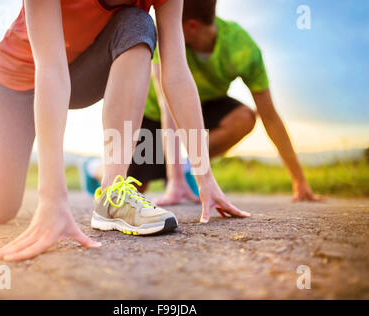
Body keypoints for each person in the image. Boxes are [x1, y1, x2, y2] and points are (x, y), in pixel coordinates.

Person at [0, 0, 250, 262]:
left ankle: (113, 194)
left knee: (138, 23)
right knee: (0, 209)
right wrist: (52, 199)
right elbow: (50, 67)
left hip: (85, 71)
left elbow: (175, 73)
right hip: (19, 78)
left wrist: (204, 175)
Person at [123, 0, 325, 204]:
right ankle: (96, 167)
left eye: (173, 20)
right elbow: (169, 108)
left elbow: (270, 117)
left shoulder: (241, 48)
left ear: (191, 26)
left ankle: (186, 165)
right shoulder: (164, 40)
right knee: (133, 187)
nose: (166, 25)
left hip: (204, 107)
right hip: (154, 114)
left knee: (244, 118)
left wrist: (300, 181)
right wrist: (175, 182)